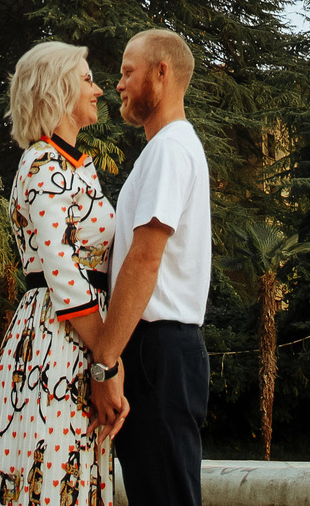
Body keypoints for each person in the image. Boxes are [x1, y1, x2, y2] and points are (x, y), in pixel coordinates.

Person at [0, 41, 123, 506]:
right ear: (58, 90)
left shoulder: (73, 165)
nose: (99, 89)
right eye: (86, 79)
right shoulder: (44, 164)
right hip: (58, 341)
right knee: (52, 477)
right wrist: (108, 359)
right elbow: (61, 272)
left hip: (74, 338)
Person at [89, 29, 211, 506]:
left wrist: (104, 363)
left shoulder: (168, 149)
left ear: (162, 73)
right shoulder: (167, 149)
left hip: (157, 352)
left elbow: (144, 259)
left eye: (127, 71)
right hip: (157, 353)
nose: (118, 83)